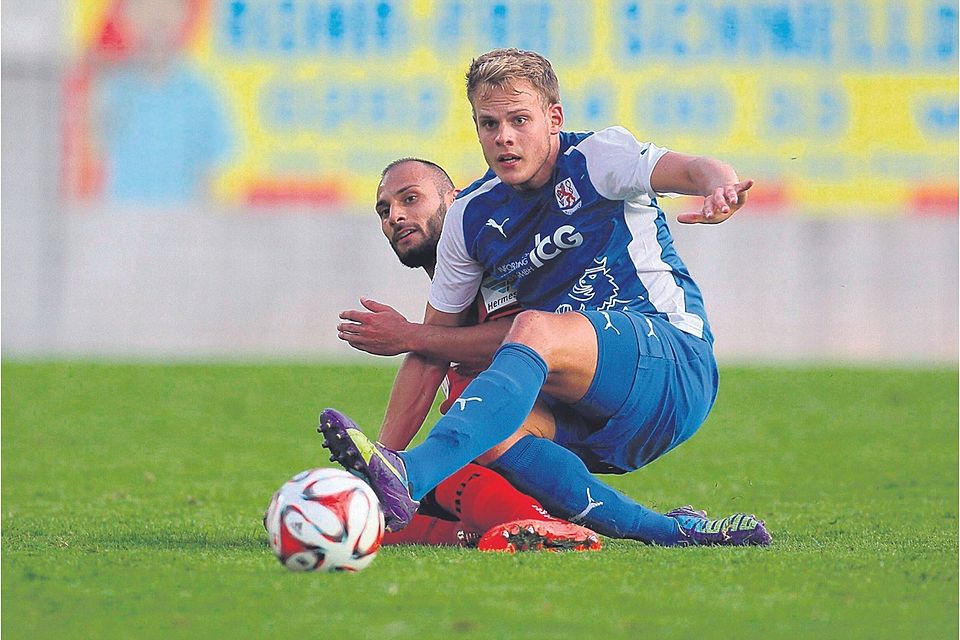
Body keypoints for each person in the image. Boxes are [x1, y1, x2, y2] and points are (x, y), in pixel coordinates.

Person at [322, 48, 770, 547]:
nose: (503, 137)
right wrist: (377, 466)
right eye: (488, 124)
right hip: (593, 418)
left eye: (519, 120)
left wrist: (721, 186)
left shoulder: (597, 157)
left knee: (533, 328)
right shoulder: (471, 217)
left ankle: (412, 475)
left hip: (673, 365)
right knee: (475, 415)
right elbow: (431, 351)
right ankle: (669, 532)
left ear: (553, 118)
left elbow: (694, 170)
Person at [349, 158, 600, 552]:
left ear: (456, 199)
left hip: (556, 431)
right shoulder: (449, 300)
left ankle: (535, 520)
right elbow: (426, 357)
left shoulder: (496, 266)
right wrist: (380, 469)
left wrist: (411, 335)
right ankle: (507, 526)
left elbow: (522, 338)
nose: (395, 216)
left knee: (450, 459)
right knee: (389, 511)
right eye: (384, 210)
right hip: (515, 446)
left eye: (410, 199)